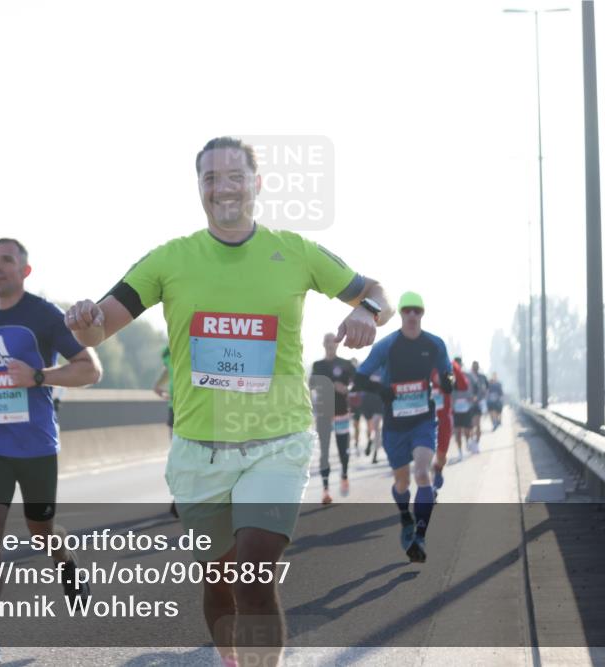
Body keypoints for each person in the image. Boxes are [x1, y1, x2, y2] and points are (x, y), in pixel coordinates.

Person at [64, 137, 391, 666]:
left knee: (254, 578)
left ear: (257, 184)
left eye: (234, 175)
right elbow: (101, 327)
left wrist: (367, 312)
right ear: (199, 189)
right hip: (199, 452)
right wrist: (84, 319)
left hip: (276, 444)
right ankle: (230, 660)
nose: (223, 187)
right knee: (218, 582)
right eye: (210, 178)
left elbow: (376, 290)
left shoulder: (296, 251)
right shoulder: (170, 258)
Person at [0, 239, 102, 666]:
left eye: (7, 261)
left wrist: (38, 375)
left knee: (41, 530)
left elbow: (90, 368)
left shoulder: (43, 314)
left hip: (36, 444)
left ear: (25, 270)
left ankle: (67, 564)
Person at [354, 291, 453, 564]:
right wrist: (381, 390)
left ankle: (419, 537)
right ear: (400, 314)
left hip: (423, 420)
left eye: (416, 311)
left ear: (422, 314)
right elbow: (359, 377)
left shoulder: (434, 344)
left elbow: (447, 372)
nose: (411, 315)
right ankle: (405, 517)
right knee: (402, 482)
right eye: (407, 310)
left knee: (422, 473)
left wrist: (448, 381)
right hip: (395, 425)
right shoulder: (387, 345)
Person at [309, 333, 356, 504]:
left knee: (343, 450)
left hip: (342, 411)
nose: (330, 344)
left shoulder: (345, 364)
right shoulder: (318, 365)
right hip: (323, 414)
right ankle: (325, 490)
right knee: (324, 452)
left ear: (337, 344)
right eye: (327, 341)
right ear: (323, 344)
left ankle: (344, 474)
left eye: (333, 341)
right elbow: (311, 385)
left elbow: (356, 383)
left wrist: (347, 388)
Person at [430, 357, 468, 491]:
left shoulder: (449, 365)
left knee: (441, 456)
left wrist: (450, 380)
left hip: (444, 417)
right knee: (424, 454)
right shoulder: (417, 362)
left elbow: (463, 385)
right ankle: (429, 490)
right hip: (423, 416)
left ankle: (438, 469)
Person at [153, 345, 178, 517]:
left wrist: (168, 395)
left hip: (175, 410)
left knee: (176, 455)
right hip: (192, 409)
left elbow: (156, 388)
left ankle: (178, 498)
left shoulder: (169, 354)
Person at [451, 357, 475, 461]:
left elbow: (474, 388)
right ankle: (460, 452)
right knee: (457, 432)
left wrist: (472, 398)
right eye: (455, 365)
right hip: (455, 408)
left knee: (467, 430)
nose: (457, 366)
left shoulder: (468, 376)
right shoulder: (450, 377)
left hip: (467, 406)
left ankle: (468, 441)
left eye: (459, 364)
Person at [360, 372, 384, 464]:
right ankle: (370, 442)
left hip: (377, 404)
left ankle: (375, 453)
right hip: (368, 403)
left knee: (376, 429)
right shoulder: (367, 371)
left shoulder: (382, 369)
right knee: (372, 429)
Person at [469, 361, 489, 452]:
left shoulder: (482, 377)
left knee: (476, 424)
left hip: (478, 403)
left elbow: (487, 388)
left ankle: (475, 443)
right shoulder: (469, 377)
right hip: (470, 404)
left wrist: (483, 397)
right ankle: (474, 443)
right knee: (474, 425)